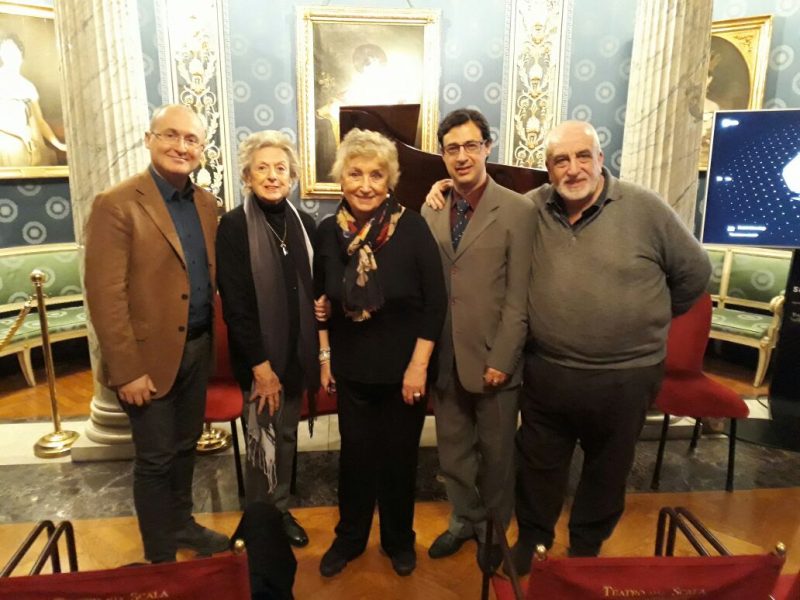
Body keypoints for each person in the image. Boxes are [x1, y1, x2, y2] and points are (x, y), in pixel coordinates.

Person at [512, 120, 711, 570]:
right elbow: (486, 215)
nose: (573, 169)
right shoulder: (531, 208)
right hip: (548, 372)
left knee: (608, 468)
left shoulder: (645, 208)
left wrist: (645, 318)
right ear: (548, 168)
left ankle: (585, 549)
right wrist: (445, 189)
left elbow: (695, 273)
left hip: (626, 376)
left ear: (601, 159)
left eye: (583, 156)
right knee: (538, 464)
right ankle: (533, 540)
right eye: (560, 160)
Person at [84, 104, 228, 563]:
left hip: (197, 348)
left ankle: (181, 523)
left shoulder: (206, 204)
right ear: (149, 139)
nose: (181, 146)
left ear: (202, 150)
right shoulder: (117, 203)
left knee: (185, 448)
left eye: (191, 139)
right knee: (155, 459)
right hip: (146, 360)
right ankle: (160, 557)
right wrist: (126, 370)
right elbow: (105, 295)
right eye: (171, 135)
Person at [314, 128, 447, 577]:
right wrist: (325, 358)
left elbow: (435, 303)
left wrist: (418, 367)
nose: (366, 184)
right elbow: (320, 301)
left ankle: (398, 540)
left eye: (376, 175)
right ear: (342, 178)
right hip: (352, 371)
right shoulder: (327, 232)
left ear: (389, 180)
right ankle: (350, 538)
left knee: (399, 460)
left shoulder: (412, 228)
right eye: (356, 173)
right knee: (354, 460)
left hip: (403, 372)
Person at [421, 108, 535, 573]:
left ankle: (493, 531)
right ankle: (463, 519)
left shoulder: (518, 210)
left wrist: (504, 357)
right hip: (445, 355)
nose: (462, 156)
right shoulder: (431, 208)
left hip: (494, 357)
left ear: (488, 147)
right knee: (453, 454)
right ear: (442, 155)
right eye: (452, 148)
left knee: (497, 456)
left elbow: (520, 296)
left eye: (471, 145)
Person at [216, 130, 318, 548]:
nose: (273, 176)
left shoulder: (305, 224)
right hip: (258, 359)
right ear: (247, 176)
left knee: (286, 435)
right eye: (262, 168)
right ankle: (259, 522)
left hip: (295, 356)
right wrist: (262, 369)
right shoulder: (233, 226)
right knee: (262, 439)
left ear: (292, 176)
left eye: (281, 168)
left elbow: (313, 291)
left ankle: (279, 509)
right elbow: (236, 306)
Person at [0, 33, 66, 167]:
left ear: (20, 54)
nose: (9, 55)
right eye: (4, 50)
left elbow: (40, 121)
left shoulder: (27, 86)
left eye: (12, 50)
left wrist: (58, 144)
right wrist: (19, 132)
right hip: (5, 142)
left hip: (29, 142)